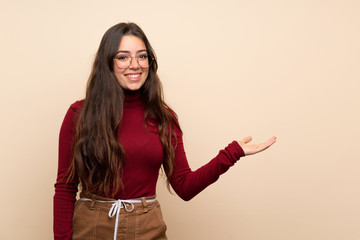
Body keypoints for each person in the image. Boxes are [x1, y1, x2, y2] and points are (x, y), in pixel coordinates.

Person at [53, 22, 277, 240]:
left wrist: (232, 153)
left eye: (142, 56)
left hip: (146, 227)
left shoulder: (163, 118)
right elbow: (65, 187)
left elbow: (184, 186)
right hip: (90, 228)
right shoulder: (79, 114)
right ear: (108, 63)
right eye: (123, 57)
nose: (135, 64)